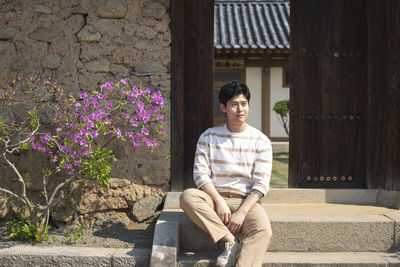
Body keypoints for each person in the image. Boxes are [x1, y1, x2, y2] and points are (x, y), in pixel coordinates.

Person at [180, 81, 273, 267]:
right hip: (214, 200)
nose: (240, 109)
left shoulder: (261, 141)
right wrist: (219, 201)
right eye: (234, 104)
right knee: (187, 197)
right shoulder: (209, 136)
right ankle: (231, 241)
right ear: (223, 107)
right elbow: (200, 174)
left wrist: (241, 212)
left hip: (245, 201)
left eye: (244, 103)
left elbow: (261, 184)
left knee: (263, 230)